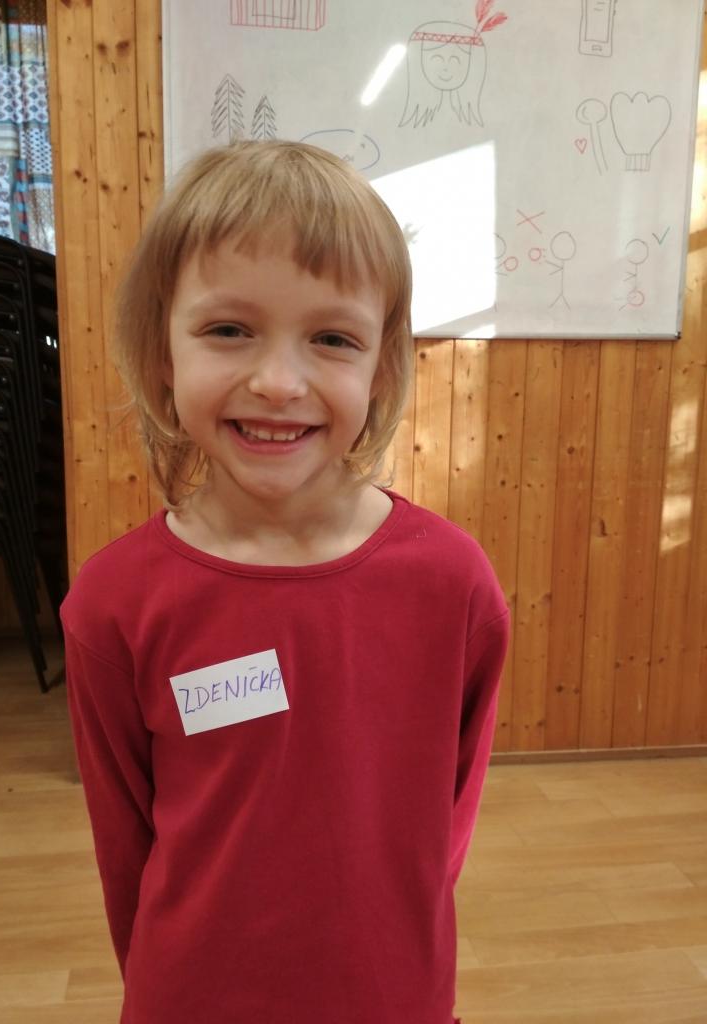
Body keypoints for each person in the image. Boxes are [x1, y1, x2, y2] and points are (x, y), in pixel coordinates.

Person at [61, 140, 509, 1024]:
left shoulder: (452, 585)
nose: (277, 382)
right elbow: (126, 851)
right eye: (229, 330)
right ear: (162, 353)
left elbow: (442, 831)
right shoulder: (114, 604)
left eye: (332, 339)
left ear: (381, 369)